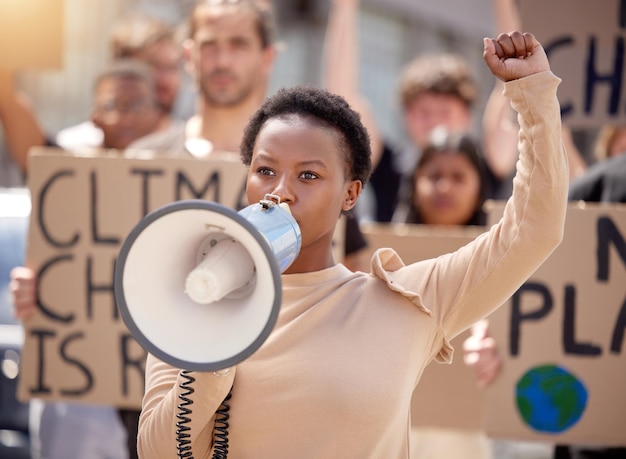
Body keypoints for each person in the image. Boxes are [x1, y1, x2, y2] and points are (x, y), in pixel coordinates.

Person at [136, 30, 568, 458]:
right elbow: (157, 451)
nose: (280, 191)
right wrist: (214, 340)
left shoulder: (407, 302)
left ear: (350, 194)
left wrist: (532, 96)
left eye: (309, 175)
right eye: (265, 170)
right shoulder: (193, 306)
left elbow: (535, 228)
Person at [130, 0, 369, 272]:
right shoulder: (141, 158)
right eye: (210, 46)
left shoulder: (319, 170)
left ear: (267, 57)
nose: (222, 61)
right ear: (188, 56)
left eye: (238, 45)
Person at [9, 59, 163, 459]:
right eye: (114, 104)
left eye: (137, 104)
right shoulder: (69, 174)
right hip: (81, 395)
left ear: (157, 113)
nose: (126, 116)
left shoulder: (185, 175)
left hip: (149, 388)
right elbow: (21, 129)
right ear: (94, 115)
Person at [54, 13, 186, 154]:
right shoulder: (73, 149)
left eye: (172, 67)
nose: (165, 80)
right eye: (152, 66)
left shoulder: (190, 148)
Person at [392, 128, 488, 226]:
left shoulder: (496, 241)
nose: (444, 189)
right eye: (434, 176)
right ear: (413, 189)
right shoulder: (386, 241)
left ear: (479, 192)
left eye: (458, 178)